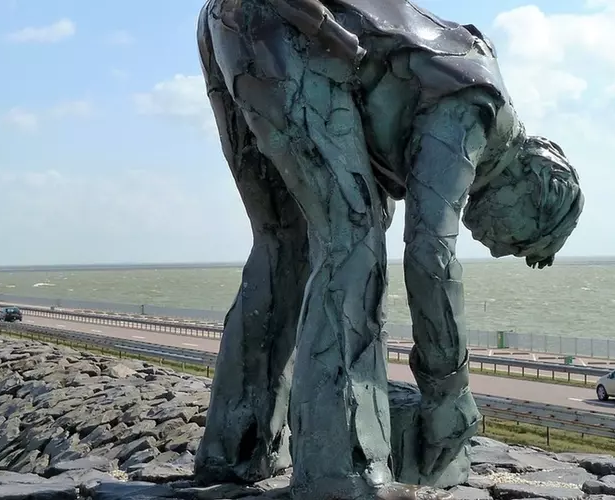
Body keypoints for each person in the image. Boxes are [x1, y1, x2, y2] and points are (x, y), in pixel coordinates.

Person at [194, 0, 584, 498]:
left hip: (231, 19)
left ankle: (235, 449)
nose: (500, 247)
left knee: (285, 245)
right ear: (535, 189)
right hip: (297, 25)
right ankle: (340, 472)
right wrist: (449, 392)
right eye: (523, 237)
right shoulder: (479, 109)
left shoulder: (462, 87)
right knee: (352, 237)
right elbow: (429, 257)